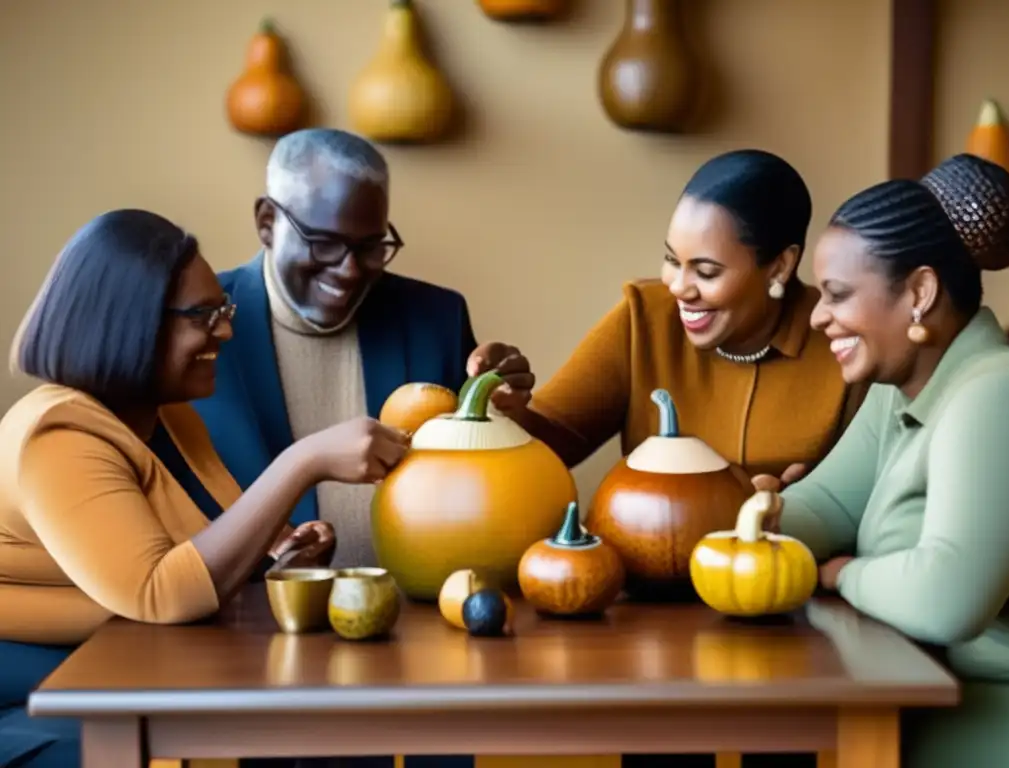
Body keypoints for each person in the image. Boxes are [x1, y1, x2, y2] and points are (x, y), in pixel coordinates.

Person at [470, 149, 864, 768]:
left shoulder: (839, 342)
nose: (681, 287)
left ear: (780, 264)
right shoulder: (642, 319)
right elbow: (548, 444)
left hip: (792, 627)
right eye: (672, 260)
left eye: (706, 270)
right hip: (655, 631)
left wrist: (816, 501)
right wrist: (502, 405)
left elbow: (867, 491)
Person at [0, 209, 409, 768]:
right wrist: (303, 460)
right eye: (203, 315)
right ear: (129, 322)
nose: (226, 330)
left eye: (224, 309)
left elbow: (205, 547)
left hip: (106, 665)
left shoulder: (167, 417)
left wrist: (275, 555)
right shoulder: (58, 432)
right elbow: (161, 592)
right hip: (29, 686)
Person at [753, 153, 1009, 768]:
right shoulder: (900, 388)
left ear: (920, 294)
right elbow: (828, 504)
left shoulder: (999, 394)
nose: (819, 315)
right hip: (899, 703)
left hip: (991, 724)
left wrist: (841, 575)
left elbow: (947, 597)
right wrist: (755, 523)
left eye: (838, 295)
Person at [190, 129, 477, 571]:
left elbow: (482, 481)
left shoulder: (438, 320)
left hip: (420, 618)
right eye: (323, 242)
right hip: (242, 622)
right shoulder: (196, 328)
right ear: (267, 222)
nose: (348, 270)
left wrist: (506, 408)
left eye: (370, 247)